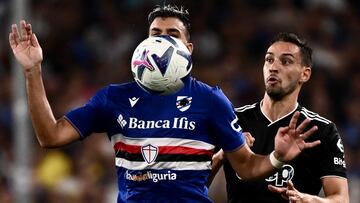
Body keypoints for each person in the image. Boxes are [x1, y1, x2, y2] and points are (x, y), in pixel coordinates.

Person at [9, 5, 319, 203]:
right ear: (144, 43)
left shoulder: (210, 100)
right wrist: (32, 71)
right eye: (156, 34)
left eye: (173, 34)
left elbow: (248, 166)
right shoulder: (113, 98)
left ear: (189, 48)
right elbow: (50, 136)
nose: (163, 40)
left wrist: (277, 156)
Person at [214, 32, 349, 202]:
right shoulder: (233, 120)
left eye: (286, 61)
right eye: (269, 60)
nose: (273, 67)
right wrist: (221, 155)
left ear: (305, 74)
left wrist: (307, 199)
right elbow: (194, 183)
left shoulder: (321, 130)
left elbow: (341, 198)